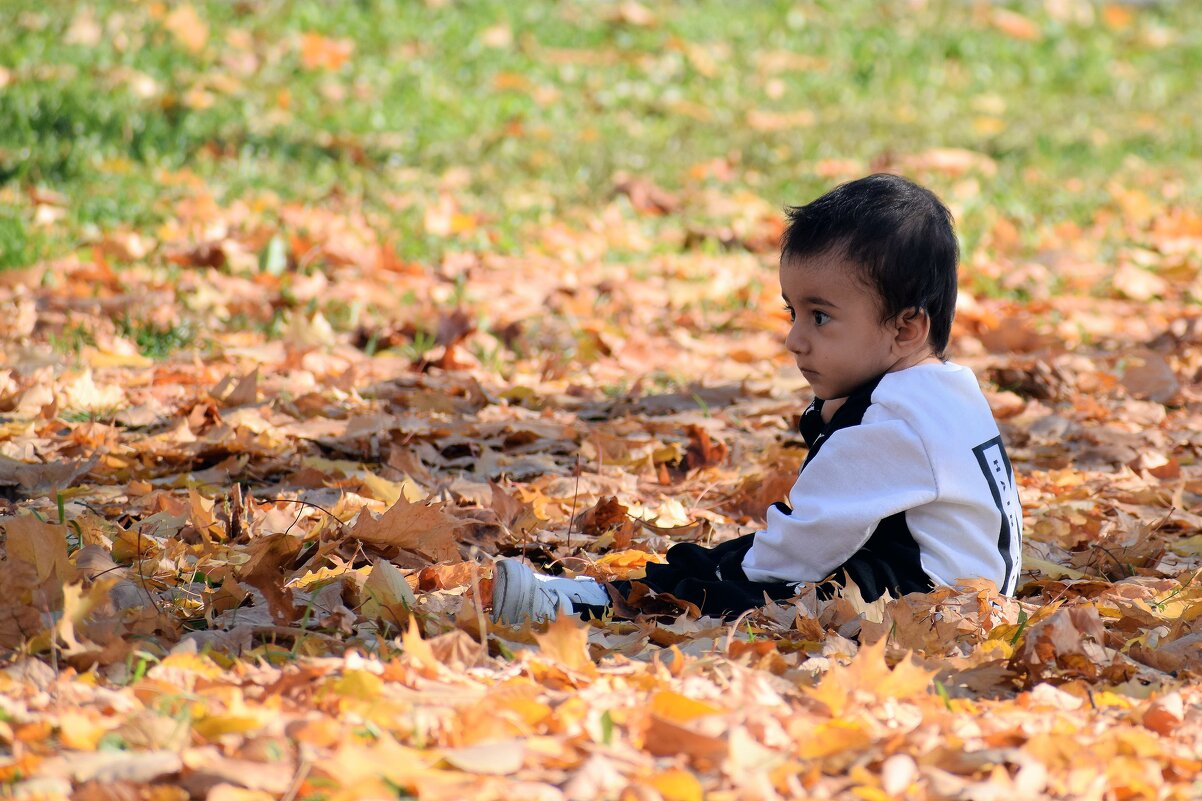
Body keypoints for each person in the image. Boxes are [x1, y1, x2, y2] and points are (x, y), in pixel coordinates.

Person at [491, 173, 1023, 626]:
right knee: (747, 562)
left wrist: (714, 573)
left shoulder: (892, 422)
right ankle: (633, 590)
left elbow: (802, 546)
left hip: (924, 606)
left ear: (906, 328)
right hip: (958, 597)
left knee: (755, 598)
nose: (796, 338)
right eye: (792, 312)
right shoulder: (942, 392)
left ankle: (597, 605)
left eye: (820, 316)